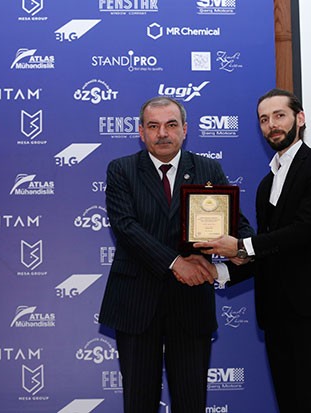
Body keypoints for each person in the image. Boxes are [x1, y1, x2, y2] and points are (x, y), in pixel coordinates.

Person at [194, 88, 311, 413]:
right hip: (275, 309)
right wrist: (221, 270)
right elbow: (270, 248)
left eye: (279, 115)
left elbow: (303, 232)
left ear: (300, 118)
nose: (272, 125)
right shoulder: (266, 183)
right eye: (264, 120)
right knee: (288, 399)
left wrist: (240, 246)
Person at [98, 96, 254, 413]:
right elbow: (126, 227)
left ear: (185, 129)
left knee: (191, 403)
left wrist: (241, 250)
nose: (162, 133)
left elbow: (237, 225)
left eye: (171, 125)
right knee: (138, 404)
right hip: (136, 305)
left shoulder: (208, 168)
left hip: (190, 304)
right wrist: (175, 263)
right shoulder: (121, 170)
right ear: (141, 132)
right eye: (153, 126)